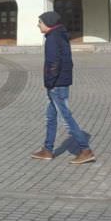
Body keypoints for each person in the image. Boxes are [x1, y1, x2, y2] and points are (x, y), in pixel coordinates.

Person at [31, 11, 95, 164]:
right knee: (51, 117)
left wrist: (50, 82)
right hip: (60, 82)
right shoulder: (59, 35)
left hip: (57, 85)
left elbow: (53, 63)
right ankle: (47, 150)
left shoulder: (53, 38)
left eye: (40, 22)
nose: (38, 25)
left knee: (66, 117)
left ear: (48, 23)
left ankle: (85, 150)